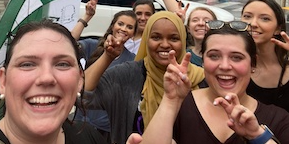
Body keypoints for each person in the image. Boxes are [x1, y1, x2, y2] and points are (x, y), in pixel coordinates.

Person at [127, 23, 289, 144]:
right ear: (202, 62)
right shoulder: (180, 107)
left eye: (236, 57)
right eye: (214, 56)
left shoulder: (278, 119)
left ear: (253, 64)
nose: (224, 66)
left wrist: (257, 136)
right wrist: (171, 100)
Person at [83, 11, 205, 144]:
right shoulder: (127, 75)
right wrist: (108, 57)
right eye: (156, 37)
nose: (164, 44)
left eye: (174, 38)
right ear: (146, 39)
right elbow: (82, 96)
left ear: (183, 41)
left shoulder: (201, 79)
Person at [0, 19, 107, 144]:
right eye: (27, 64)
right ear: (3, 81)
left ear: (79, 80)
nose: (47, 78)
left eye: (62, 64)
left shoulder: (89, 136)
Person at [75, 10, 137, 142]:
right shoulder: (92, 46)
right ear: (113, 25)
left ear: (133, 34)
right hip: (80, 122)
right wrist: (86, 17)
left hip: (107, 129)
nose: (124, 29)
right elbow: (69, 41)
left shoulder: (133, 61)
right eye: (120, 24)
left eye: (130, 27)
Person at [240, 0, 289, 112]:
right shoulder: (232, 66)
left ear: (278, 29)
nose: (253, 23)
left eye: (265, 19)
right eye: (247, 16)